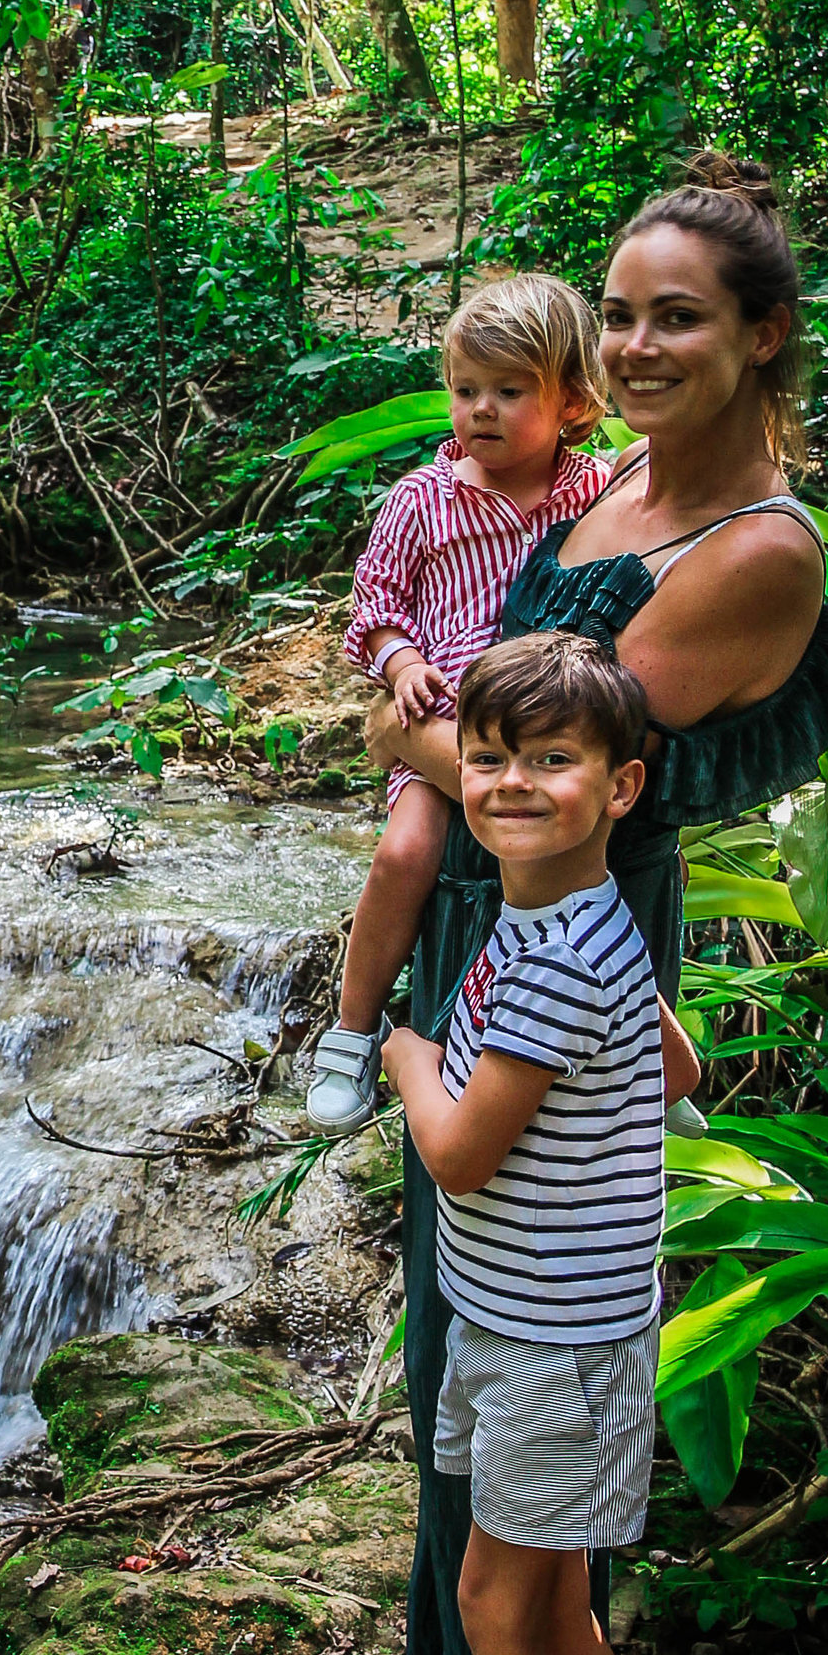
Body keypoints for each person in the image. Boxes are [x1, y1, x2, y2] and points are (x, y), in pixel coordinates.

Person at [346, 155, 828, 1655]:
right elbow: (510, 736)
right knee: (455, 1326)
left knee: (526, 1330)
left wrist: (404, 741)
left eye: (681, 319)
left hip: (562, 924)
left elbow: (557, 779)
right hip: (497, 916)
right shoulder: (617, 476)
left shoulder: (751, 553)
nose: (638, 345)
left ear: (764, 337)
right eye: (622, 313)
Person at [349, 632, 678, 1655]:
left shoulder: (547, 956)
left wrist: (412, 1054)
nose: (511, 782)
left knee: (500, 1609)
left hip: (552, 1343)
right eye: (490, 756)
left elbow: (467, 1153)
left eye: (554, 759)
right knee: (553, 1610)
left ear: (622, 785)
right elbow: (677, 1058)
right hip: (548, 1323)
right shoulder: (577, 920)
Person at [303, 274, 614, 1133]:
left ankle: (639, 1062)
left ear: (572, 403)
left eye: (511, 392)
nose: (482, 409)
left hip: (551, 726)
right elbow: (376, 608)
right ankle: (353, 1033)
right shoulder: (424, 499)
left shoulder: (591, 491)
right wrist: (400, 664)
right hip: (440, 726)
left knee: (599, 873)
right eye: (466, 389)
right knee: (406, 855)